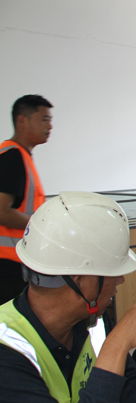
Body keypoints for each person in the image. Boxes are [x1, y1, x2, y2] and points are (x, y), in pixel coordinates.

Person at [0, 191, 136, 402]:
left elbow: (129, 384)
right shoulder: (7, 351)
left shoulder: (94, 319)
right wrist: (117, 344)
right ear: (80, 282)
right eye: (111, 273)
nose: (120, 280)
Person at [0, 94, 53, 305]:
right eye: (44, 119)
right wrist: (42, 225)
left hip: (16, 262)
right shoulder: (12, 157)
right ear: (22, 120)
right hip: (7, 265)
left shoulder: (19, 155)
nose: (50, 126)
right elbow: (1, 212)